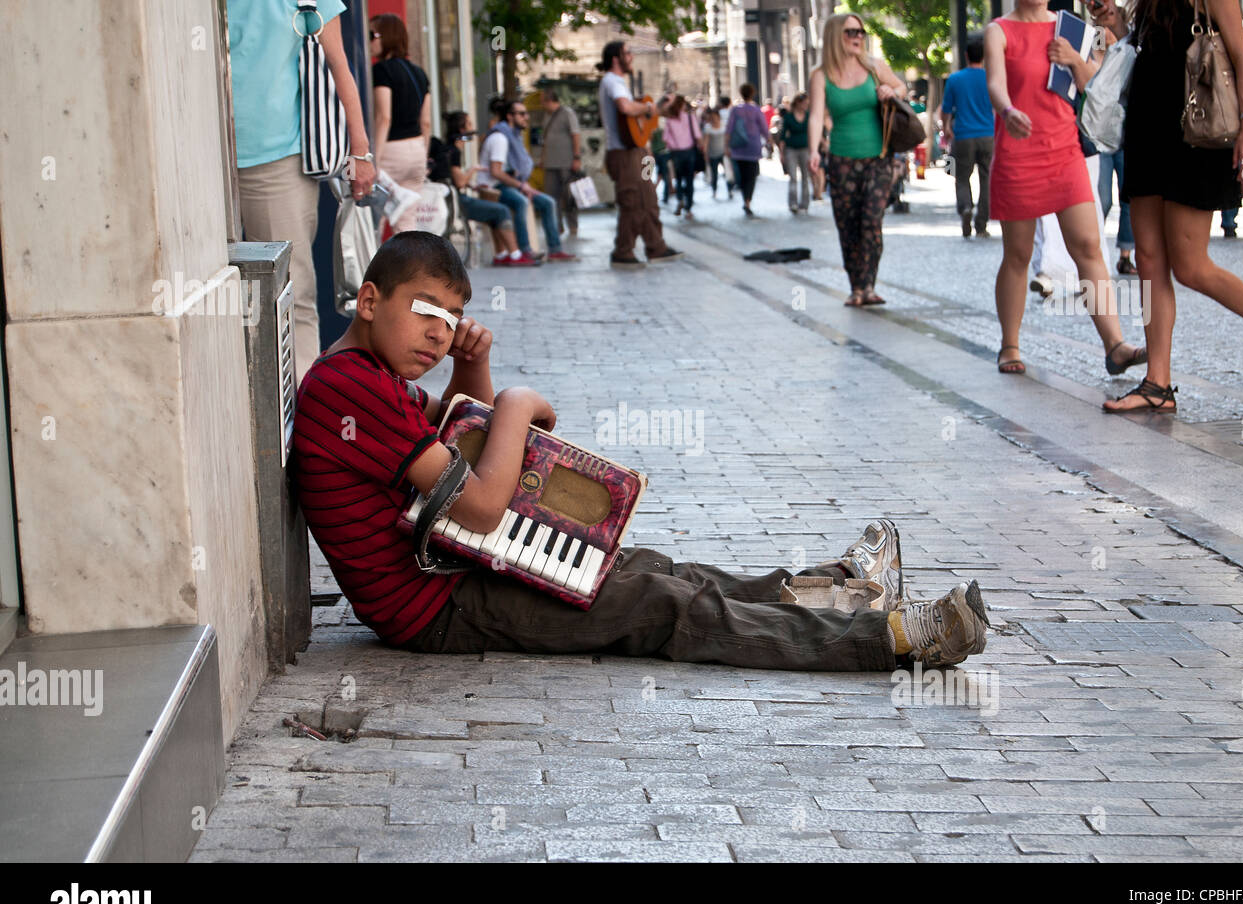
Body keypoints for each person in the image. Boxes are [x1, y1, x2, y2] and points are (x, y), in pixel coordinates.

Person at [291, 231, 992, 671]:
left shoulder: (368, 375)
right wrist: (513, 405)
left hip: (458, 569)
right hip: (438, 605)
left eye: (451, 321)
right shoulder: (347, 388)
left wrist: (473, 376)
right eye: (422, 310)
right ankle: (895, 638)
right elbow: (477, 503)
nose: (437, 334)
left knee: (653, 567)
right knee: (659, 604)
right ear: (369, 298)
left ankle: (833, 589)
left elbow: (458, 437)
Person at [1103, 0, 1243, 413]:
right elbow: (1149, 47)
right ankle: (1158, 384)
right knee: (1149, 258)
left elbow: (1241, 52)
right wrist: (1115, 20)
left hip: (1197, 128)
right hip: (1148, 123)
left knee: (1191, 265)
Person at [984, 0, 1146, 376]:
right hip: (1017, 154)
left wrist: (1074, 58)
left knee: (1089, 247)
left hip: (1064, 151)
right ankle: (1010, 344)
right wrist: (1008, 112)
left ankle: (1115, 346)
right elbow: (995, 84)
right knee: (1018, 254)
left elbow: (1094, 87)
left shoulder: (1069, 28)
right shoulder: (999, 31)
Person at [226, 0, 376, 385]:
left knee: (291, 291)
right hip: (199, 156)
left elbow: (339, 63)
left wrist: (360, 152)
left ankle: (301, 418)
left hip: (277, 161)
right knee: (211, 295)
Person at [808, 13, 909, 307]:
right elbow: (816, 116)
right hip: (841, 159)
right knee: (848, 225)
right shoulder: (821, 75)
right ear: (835, 36)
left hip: (878, 157)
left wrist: (892, 90)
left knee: (871, 222)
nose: (858, 37)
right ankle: (856, 287)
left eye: (861, 32)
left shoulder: (875, 67)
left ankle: (869, 284)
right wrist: (814, 150)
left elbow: (901, 88)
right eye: (851, 32)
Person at [596, 41, 683, 268]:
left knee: (649, 199)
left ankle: (656, 246)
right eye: (627, 52)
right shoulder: (612, 81)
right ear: (616, 58)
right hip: (624, 155)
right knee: (632, 201)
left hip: (639, 152)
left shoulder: (620, 83)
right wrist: (647, 108)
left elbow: (640, 119)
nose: (631, 56)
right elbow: (625, 108)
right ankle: (623, 251)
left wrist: (660, 108)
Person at [433, 111, 536, 266]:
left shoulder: (449, 148)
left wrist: (472, 184)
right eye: (469, 124)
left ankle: (501, 254)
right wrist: (473, 169)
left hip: (451, 197)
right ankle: (515, 255)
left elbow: (455, 178)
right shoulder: (453, 151)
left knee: (494, 212)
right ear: (462, 129)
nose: (473, 128)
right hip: (457, 201)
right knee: (501, 211)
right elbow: (460, 182)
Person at [477, 99, 574, 263]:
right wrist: (521, 186)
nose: (526, 117)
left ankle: (555, 250)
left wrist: (523, 184)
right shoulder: (500, 138)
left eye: (526, 113)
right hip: (493, 187)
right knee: (521, 202)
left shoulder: (513, 136)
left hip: (510, 184)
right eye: (521, 114)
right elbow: (496, 172)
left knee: (548, 202)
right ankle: (524, 251)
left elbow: (512, 169)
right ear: (509, 116)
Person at [1087, 0, 1137, 274]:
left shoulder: (1128, 49)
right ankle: (1093, 250)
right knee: (1102, 197)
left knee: (1128, 196)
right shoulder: (1092, 57)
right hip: (1102, 136)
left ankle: (1125, 254)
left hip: (1129, 132)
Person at [368, 14, 430, 235]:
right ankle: (409, 269)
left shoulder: (381, 71)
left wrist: (374, 159)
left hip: (391, 151)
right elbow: (426, 121)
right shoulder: (420, 74)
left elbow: (384, 117)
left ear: (386, 37)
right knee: (407, 224)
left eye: (371, 35)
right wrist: (425, 155)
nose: (369, 41)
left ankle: (374, 270)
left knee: (373, 221)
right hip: (416, 151)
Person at [940, 32, 995, 238]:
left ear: (966, 55)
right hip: (988, 135)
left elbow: (946, 108)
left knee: (962, 177)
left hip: (963, 135)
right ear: (984, 56)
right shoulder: (991, 78)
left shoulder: (955, 79)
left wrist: (946, 127)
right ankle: (981, 224)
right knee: (986, 179)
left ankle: (965, 208)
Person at [540, 89, 583, 240]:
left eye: (542, 100)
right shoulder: (546, 116)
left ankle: (573, 225)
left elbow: (575, 134)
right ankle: (557, 226)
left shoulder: (567, 113)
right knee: (551, 197)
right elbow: (546, 139)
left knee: (569, 196)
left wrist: (577, 157)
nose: (541, 104)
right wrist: (543, 158)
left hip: (566, 162)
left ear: (549, 99)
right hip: (550, 163)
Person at [724, 83, 773, 217]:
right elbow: (764, 128)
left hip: (738, 148)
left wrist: (726, 146)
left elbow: (729, 129)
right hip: (753, 147)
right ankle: (747, 201)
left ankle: (745, 199)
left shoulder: (735, 110)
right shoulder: (756, 110)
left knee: (742, 175)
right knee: (751, 176)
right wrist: (770, 141)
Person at [662, 95, 703, 219]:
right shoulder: (690, 118)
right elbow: (697, 135)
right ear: (682, 105)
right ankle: (688, 207)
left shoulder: (670, 120)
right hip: (689, 152)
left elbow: (665, 138)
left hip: (676, 153)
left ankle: (680, 199)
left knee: (678, 179)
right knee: (689, 180)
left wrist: (673, 145)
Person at [777, 92, 812, 213]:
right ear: (798, 103)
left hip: (805, 149)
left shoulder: (808, 115)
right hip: (791, 149)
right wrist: (781, 154)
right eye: (804, 103)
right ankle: (793, 203)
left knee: (805, 177)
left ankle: (805, 203)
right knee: (793, 177)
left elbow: (812, 132)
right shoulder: (788, 117)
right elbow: (782, 137)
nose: (806, 105)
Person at [701, 107, 728, 198]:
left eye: (715, 117)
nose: (714, 119)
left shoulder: (724, 125)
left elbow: (727, 138)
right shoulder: (708, 127)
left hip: (723, 153)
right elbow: (706, 142)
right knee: (714, 174)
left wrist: (728, 149)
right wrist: (705, 153)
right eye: (712, 117)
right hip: (712, 154)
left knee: (728, 173)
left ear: (718, 117)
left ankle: (730, 189)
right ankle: (714, 190)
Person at [717, 96, 737, 198]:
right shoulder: (733, 113)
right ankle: (731, 185)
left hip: (720, 143)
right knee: (731, 165)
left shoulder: (718, 114)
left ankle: (729, 185)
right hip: (732, 143)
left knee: (726, 166)